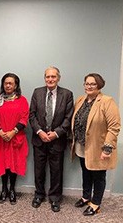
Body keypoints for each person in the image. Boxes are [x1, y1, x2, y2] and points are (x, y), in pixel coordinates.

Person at [71, 73, 120, 216]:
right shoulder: (81, 100)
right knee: (86, 172)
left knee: (98, 176)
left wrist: (107, 149)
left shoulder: (107, 101)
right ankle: (86, 197)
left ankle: (96, 203)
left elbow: (114, 126)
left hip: (99, 148)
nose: (89, 86)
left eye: (93, 84)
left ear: (99, 85)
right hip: (82, 145)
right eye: (87, 83)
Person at [29, 66, 73, 212]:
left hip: (57, 140)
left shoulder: (67, 94)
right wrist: (40, 131)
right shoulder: (37, 92)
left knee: (56, 171)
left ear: (58, 78)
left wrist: (56, 133)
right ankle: (39, 195)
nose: (50, 79)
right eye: (48, 76)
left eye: (53, 76)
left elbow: (68, 118)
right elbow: (32, 115)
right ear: (44, 78)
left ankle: (55, 198)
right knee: (39, 170)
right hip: (39, 138)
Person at [0, 73, 29, 205]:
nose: (8, 85)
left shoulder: (22, 100)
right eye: (6, 83)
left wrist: (13, 132)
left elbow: (24, 118)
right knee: (2, 163)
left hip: (15, 138)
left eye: (10, 83)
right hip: (0, 138)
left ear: (16, 85)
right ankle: (3, 189)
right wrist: (0, 132)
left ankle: (12, 189)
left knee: (13, 164)